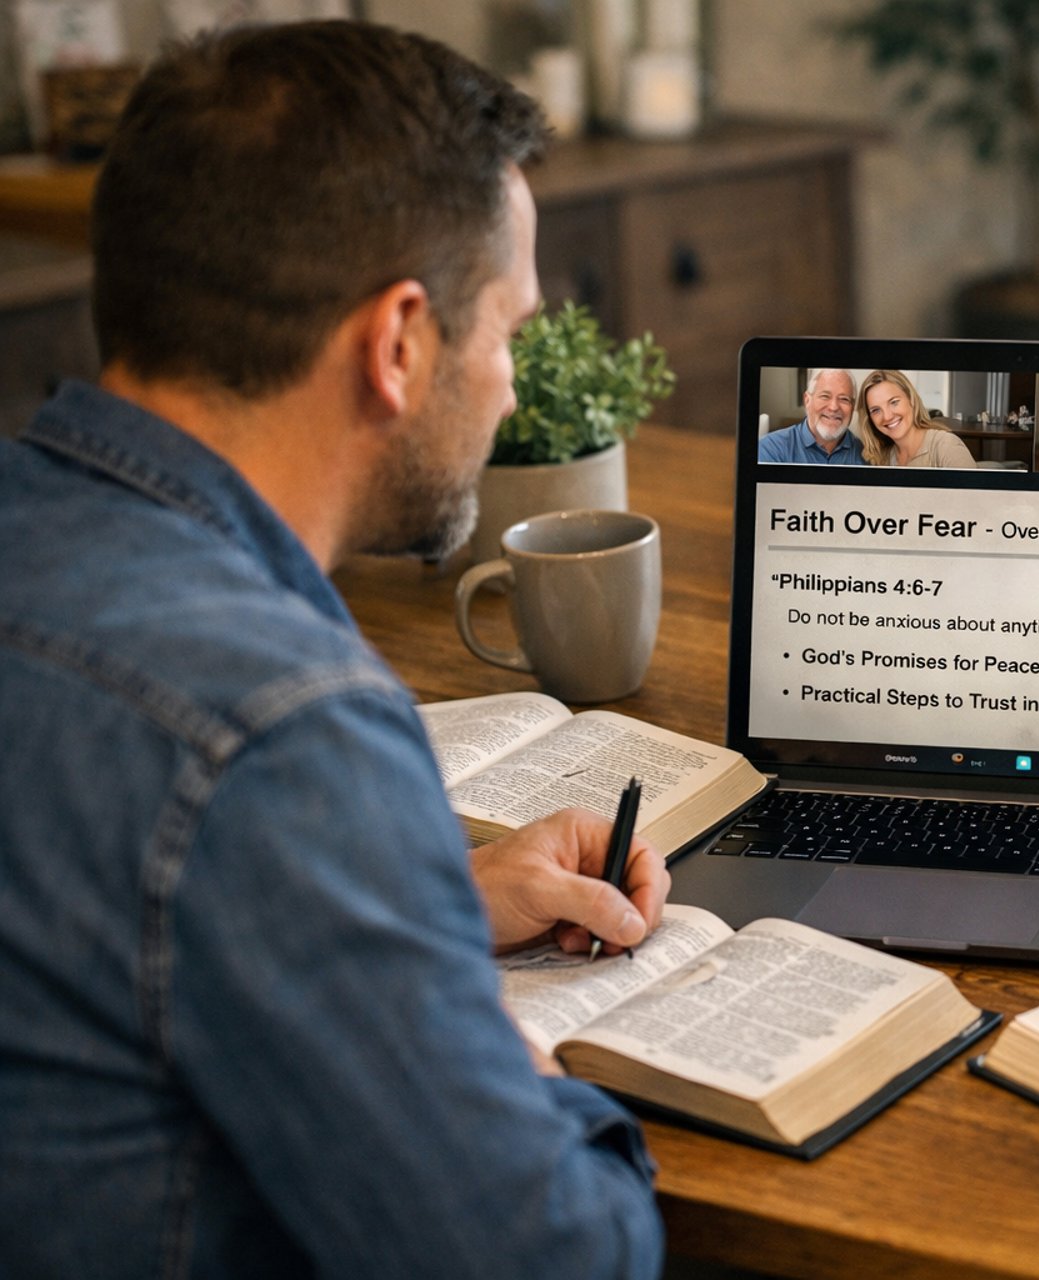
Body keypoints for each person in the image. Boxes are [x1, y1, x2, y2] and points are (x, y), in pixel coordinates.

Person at [0, 23, 673, 1277]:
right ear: (400, 342)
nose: (514, 386)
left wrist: (424, 914)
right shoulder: (281, 727)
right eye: (508, 330)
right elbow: (557, 1258)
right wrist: (509, 1065)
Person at [858, 369, 976, 467]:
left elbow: (974, 495)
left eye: (894, 402)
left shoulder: (945, 446)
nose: (887, 416)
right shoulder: (883, 459)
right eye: (876, 410)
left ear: (911, 400)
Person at [757, 367, 864, 464]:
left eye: (844, 399)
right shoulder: (770, 449)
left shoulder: (866, 455)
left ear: (853, 406)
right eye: (825, 396)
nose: (834, 407)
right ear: (807, 400)